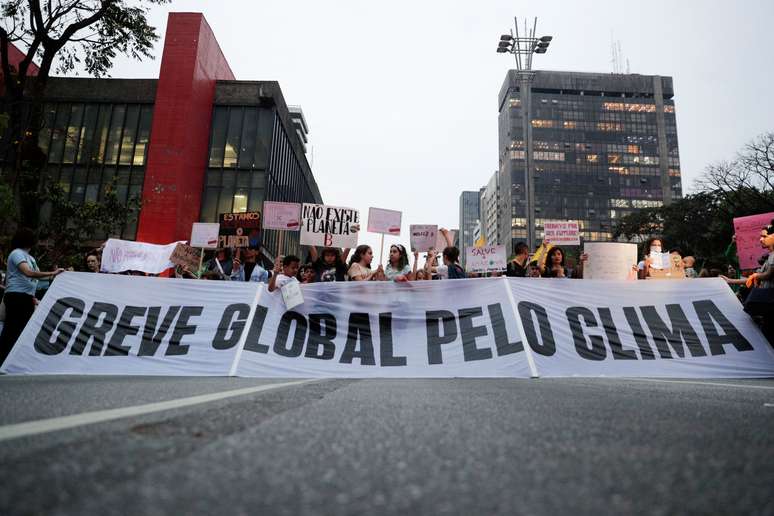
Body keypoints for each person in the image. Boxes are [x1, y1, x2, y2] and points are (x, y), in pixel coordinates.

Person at [0, 228, 64, 366]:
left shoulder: (31, 258)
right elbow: (28, 273)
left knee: (23, 329)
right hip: (16, 297)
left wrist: (60, 277)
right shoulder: (17, 253)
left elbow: (38, 280)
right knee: (12, 329)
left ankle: (12, 361)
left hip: (26, 298)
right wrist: (53, 272)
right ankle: (3, 359)